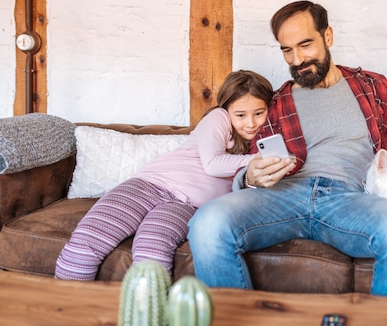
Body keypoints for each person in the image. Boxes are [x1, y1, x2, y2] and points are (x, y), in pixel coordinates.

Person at [187, 1, 387, 299]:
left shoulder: (370, 86)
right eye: (287, 50)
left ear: (327, 36)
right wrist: (250, 177)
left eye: (305, 44)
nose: (298, 59)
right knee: (207, 223)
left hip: (349, 200)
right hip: (281, 197)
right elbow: (249, 162)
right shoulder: (275, 104)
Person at [55, 70, 274, 281]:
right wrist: (261, 159)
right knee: (85, 245)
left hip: (187, 206)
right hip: (150, 186)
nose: (251, 123)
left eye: (259, 113)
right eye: (241, 115)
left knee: (152, 257)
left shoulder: (267, 140)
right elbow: (213, 165)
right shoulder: (219, 118)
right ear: (227, 110)